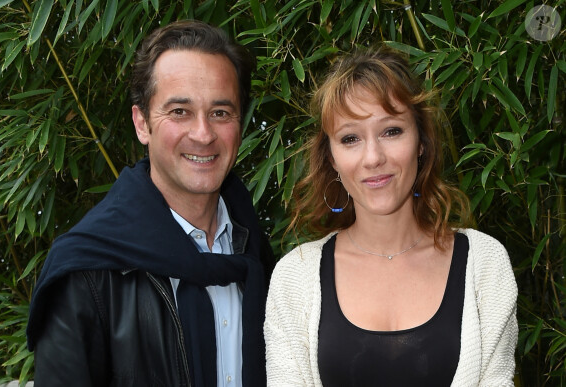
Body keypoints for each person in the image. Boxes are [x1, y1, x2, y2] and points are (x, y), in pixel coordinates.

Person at [27, 20, 274, 387]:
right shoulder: (86, 274)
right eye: (179, 112)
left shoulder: (257, 252)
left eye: (220, 112)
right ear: (142, 123)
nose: (203, 134)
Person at [264, 47, 518, 386]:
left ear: (422, 142)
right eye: (350, 138)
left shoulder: (485, 265)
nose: (373, 158)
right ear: (332, 158)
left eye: (391, 131)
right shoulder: (294, 277)